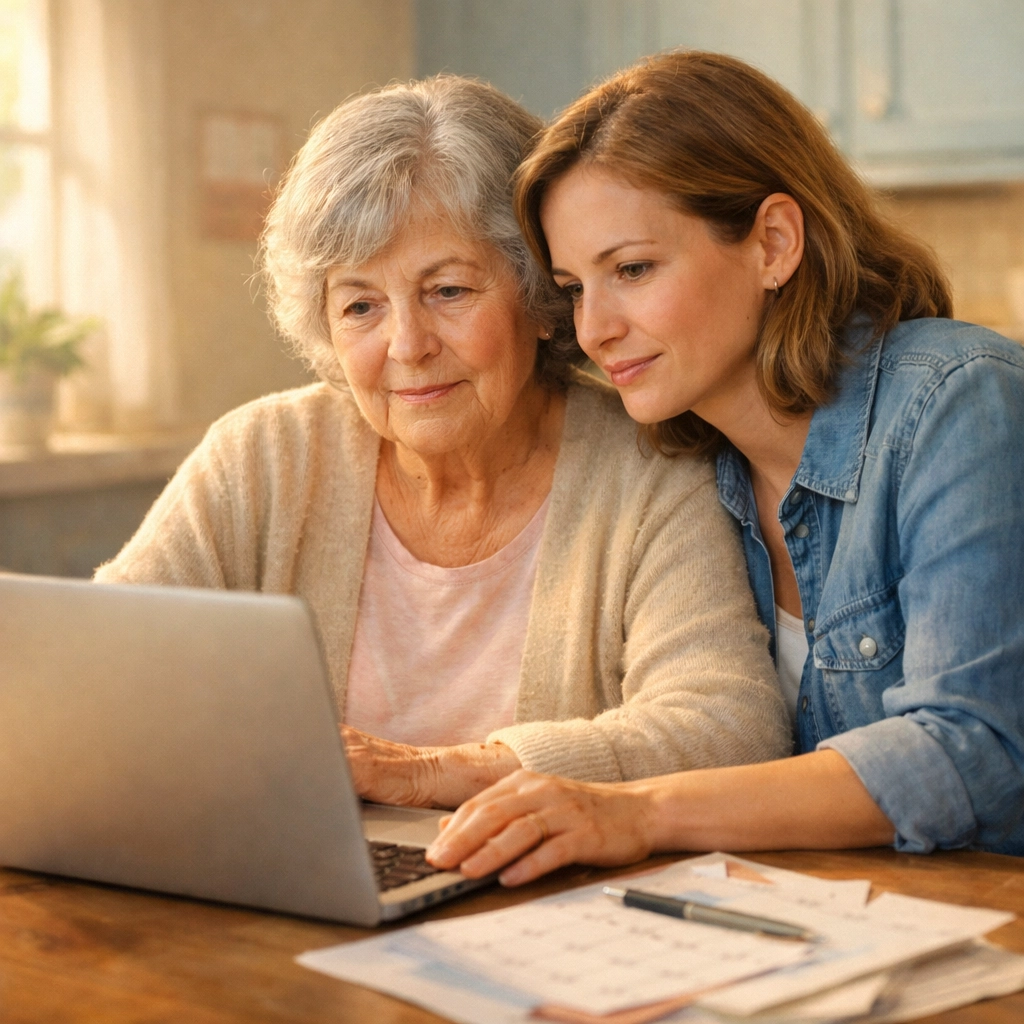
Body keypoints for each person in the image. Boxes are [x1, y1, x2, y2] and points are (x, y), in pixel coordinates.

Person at [95, 75, 790, 810]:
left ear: (539, 296)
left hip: (549, 905)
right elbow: (99, 669)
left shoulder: (652, 465)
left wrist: (437, 772)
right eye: (360, 305)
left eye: (448, 291)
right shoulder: (263, 458)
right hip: (297, 885)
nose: (407, 345)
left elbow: (730, 726)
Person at [425, 51, 1024, 883]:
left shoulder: (960, 403)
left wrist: (638, 813)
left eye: (632, 269)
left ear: (773, 243)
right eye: (573, 286)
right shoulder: (695, 461)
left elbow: (973, 751)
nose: (594, 329)